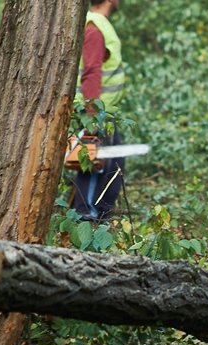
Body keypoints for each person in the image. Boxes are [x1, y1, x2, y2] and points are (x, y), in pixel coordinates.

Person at [71, 0, 125, 221]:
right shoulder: (95, 28)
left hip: (105, 112)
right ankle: (85, 217)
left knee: (116, 164)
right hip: (96, 113)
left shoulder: (96, 24)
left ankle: (100, 215)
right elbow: (92, 73)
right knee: (93, 165)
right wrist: (92, 118)